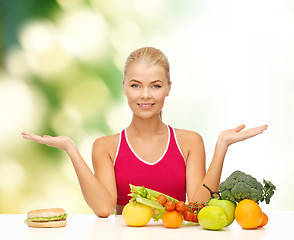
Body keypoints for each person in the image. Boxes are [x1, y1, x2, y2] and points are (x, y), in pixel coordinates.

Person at [21, 47, 268, 217]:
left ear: (168, 88)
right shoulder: (105, 147)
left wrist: (221, 146)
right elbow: (105, 209)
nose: (145, 95)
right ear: (124, 88)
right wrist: (70, 149)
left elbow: (198, 206)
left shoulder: (190, 142)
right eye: (136, 85)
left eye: (156, 85)